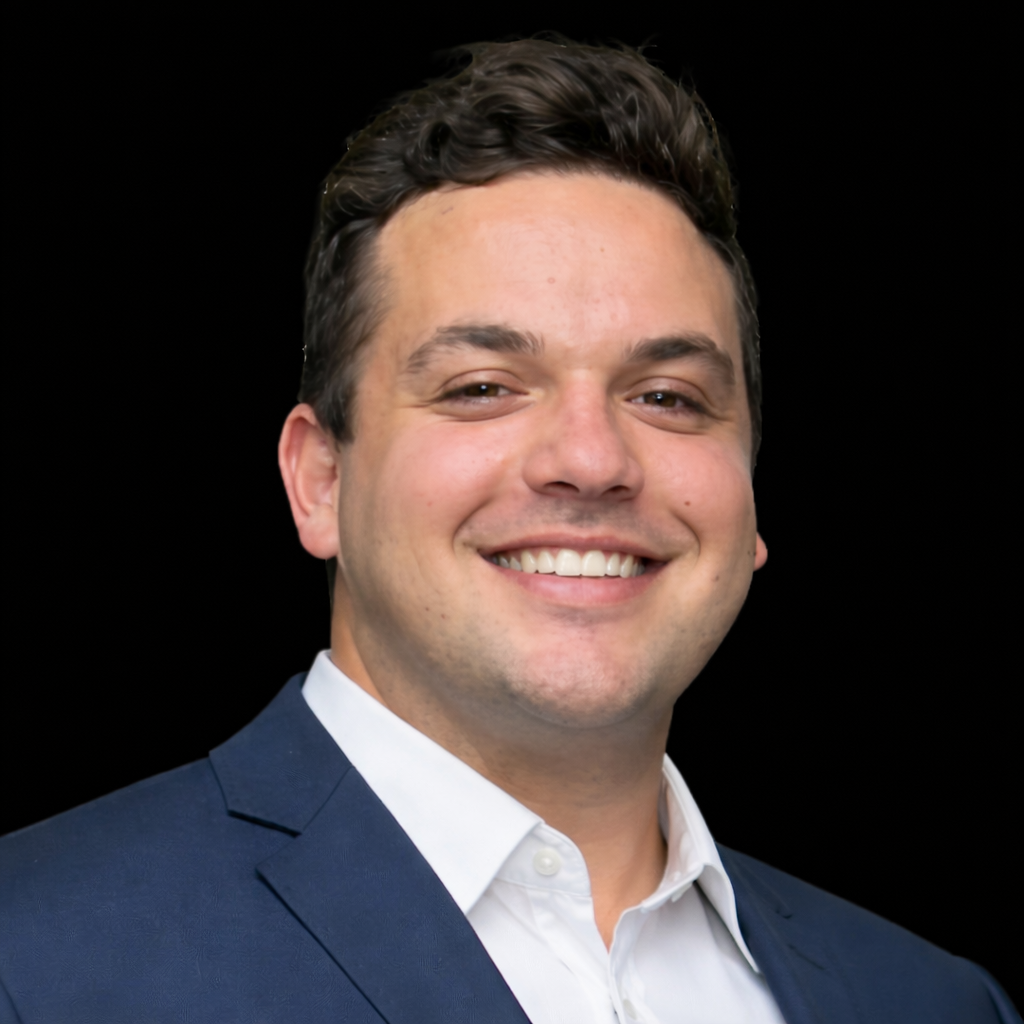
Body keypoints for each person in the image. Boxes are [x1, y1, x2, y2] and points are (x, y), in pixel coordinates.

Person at [0, 37, 1018, 1024]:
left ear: (749, 497)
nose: (590, 458)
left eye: (665, 396)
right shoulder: (31, 957)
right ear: (320, 480)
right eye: (483, 387)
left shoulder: (929, 1000)